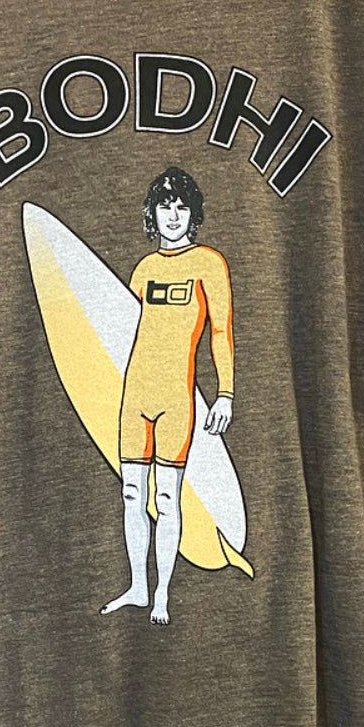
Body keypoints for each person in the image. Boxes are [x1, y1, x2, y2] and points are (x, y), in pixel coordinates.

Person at [102, 165, 234, 625]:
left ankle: (162, 594)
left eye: (181, 207)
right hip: (134, 397)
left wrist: (225, 393)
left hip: (177, 398)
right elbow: (125, 332)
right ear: (152, 213)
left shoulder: (209, 264)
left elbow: (221, 330)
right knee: (131, 494)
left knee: (166, 498)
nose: (173, 216)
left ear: (193, 214)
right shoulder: (144, 269)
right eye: (165, 206)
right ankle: (138, 587)